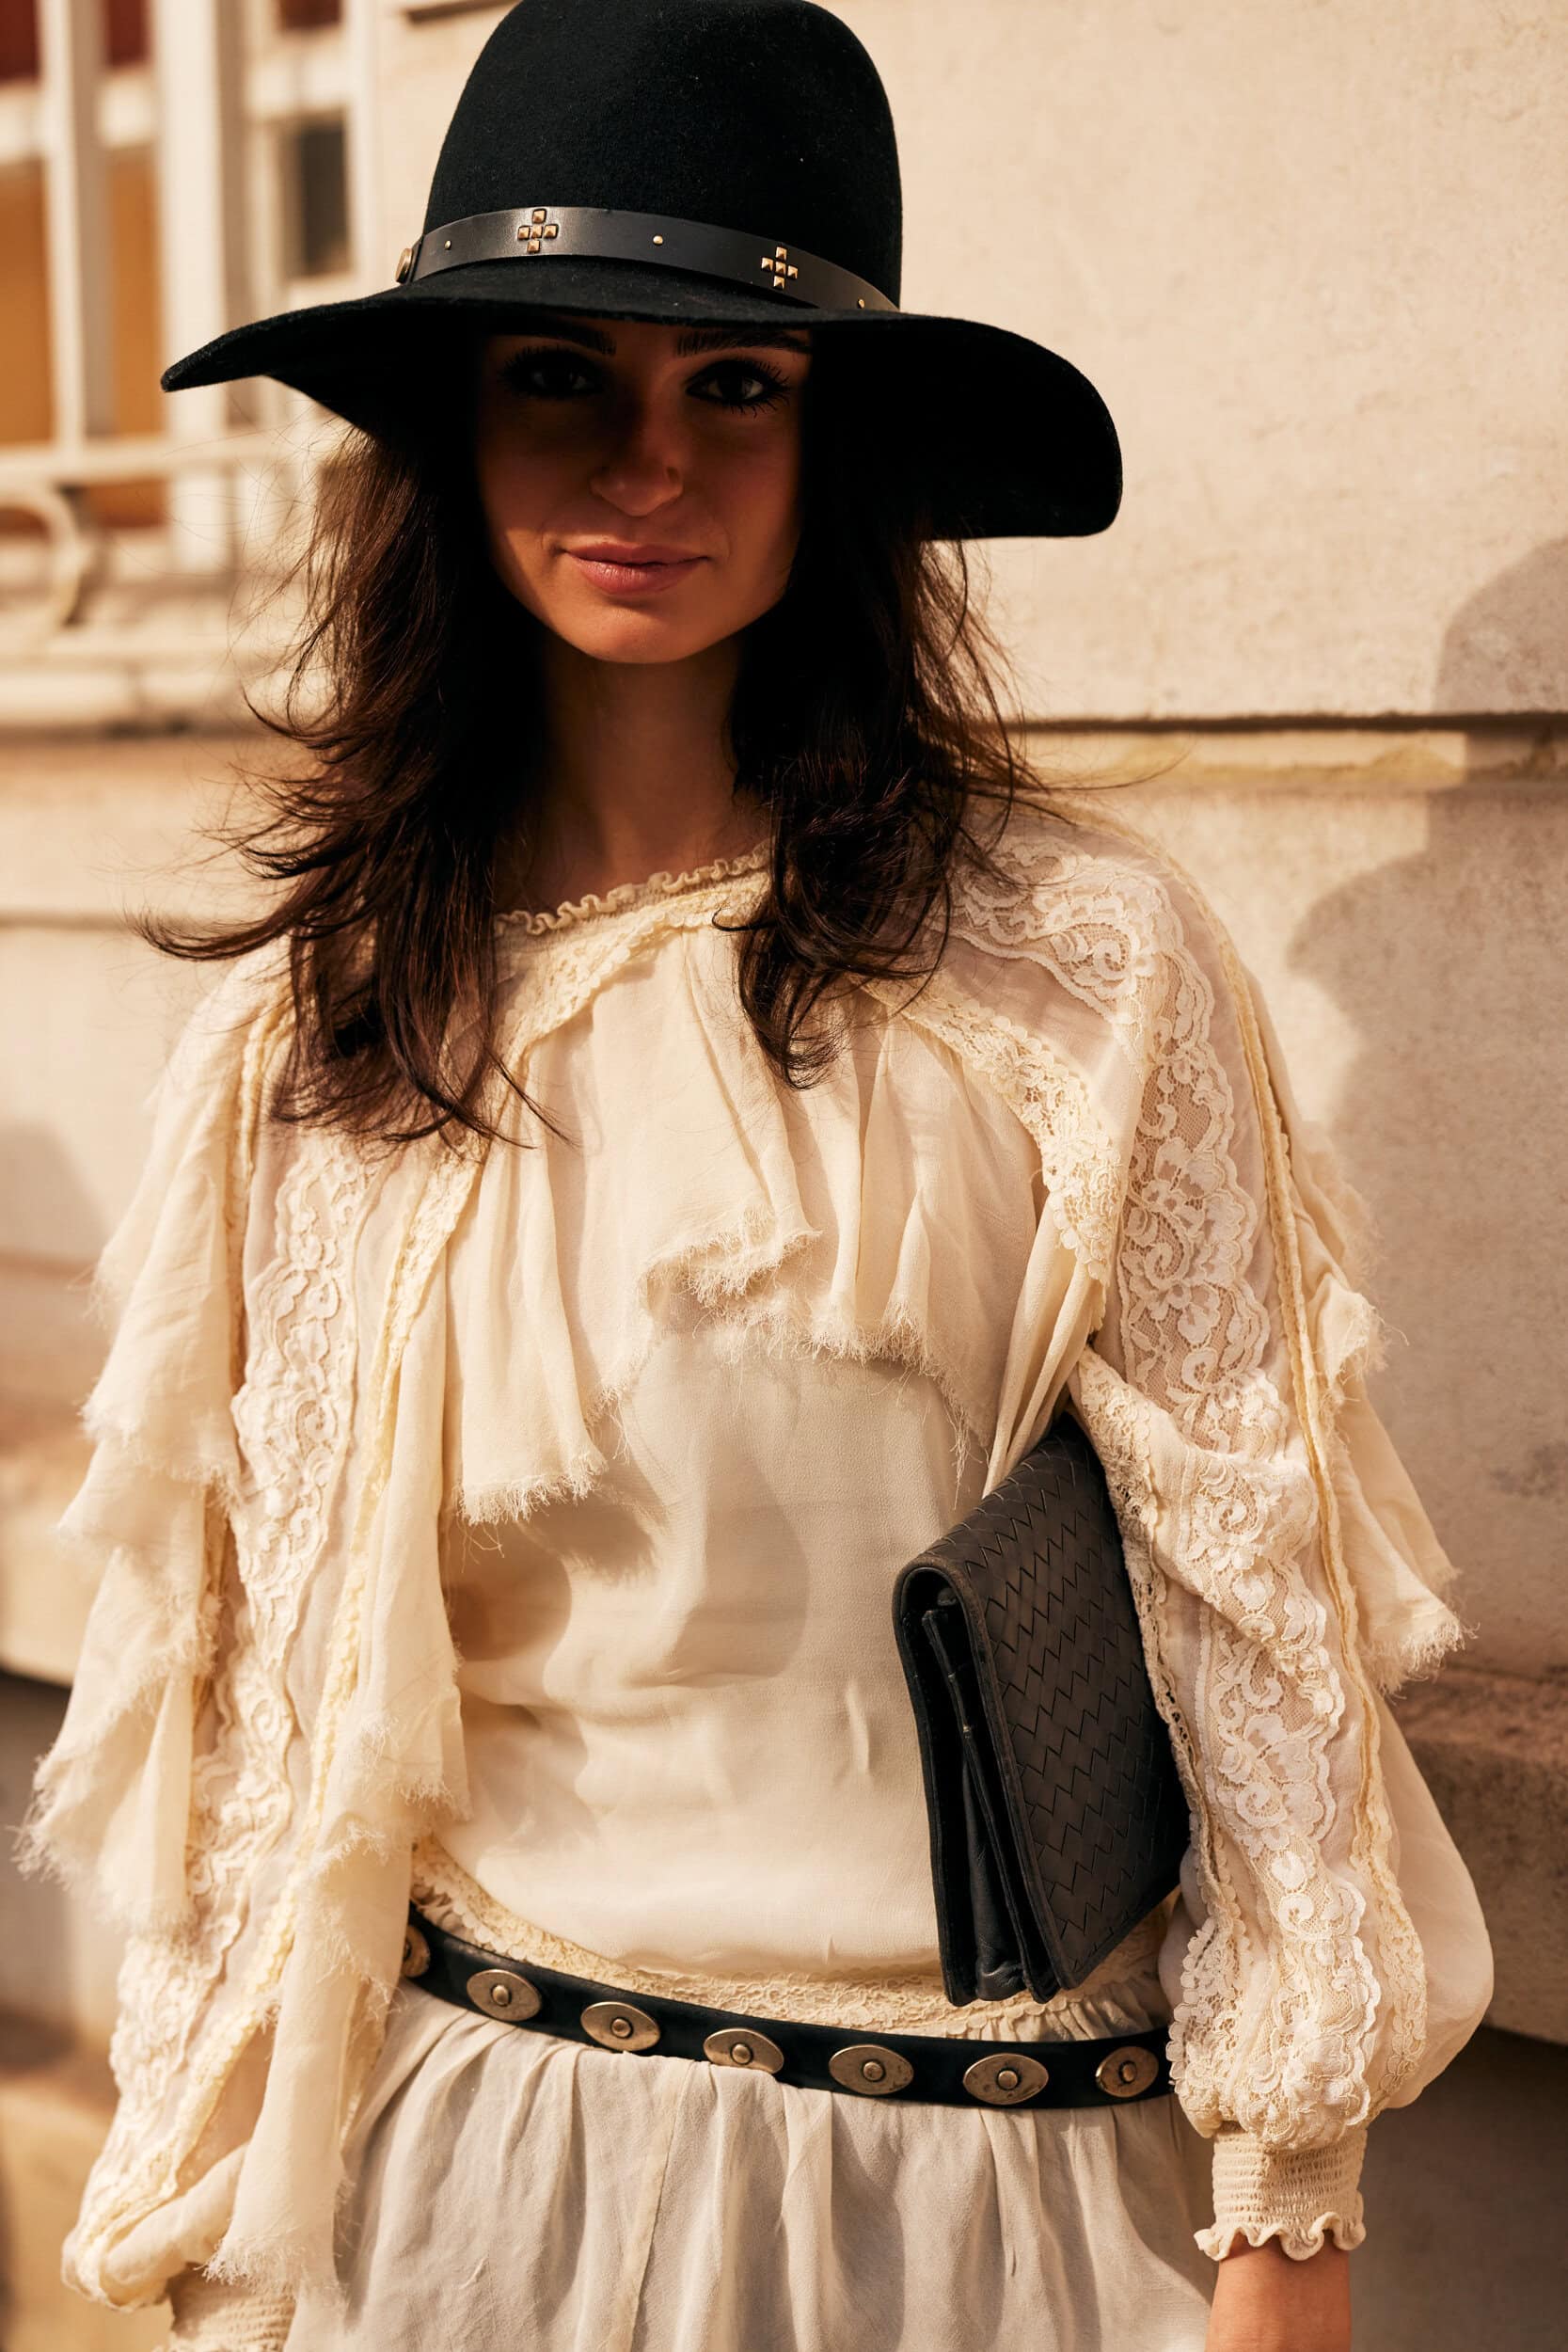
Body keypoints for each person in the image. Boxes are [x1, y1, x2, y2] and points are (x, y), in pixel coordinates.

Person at [17, 5, 1492, 2349]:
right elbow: (264, 1725)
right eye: (559, 378)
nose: (648, 464)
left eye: (736, 385)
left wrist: (1286, 2217)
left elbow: (1258, 1606)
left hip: (989, 2199)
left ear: (837, 445)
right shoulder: (325, 1034)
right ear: (450, 430)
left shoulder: (1075, 969)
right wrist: (219, 2233)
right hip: (473, 2186)